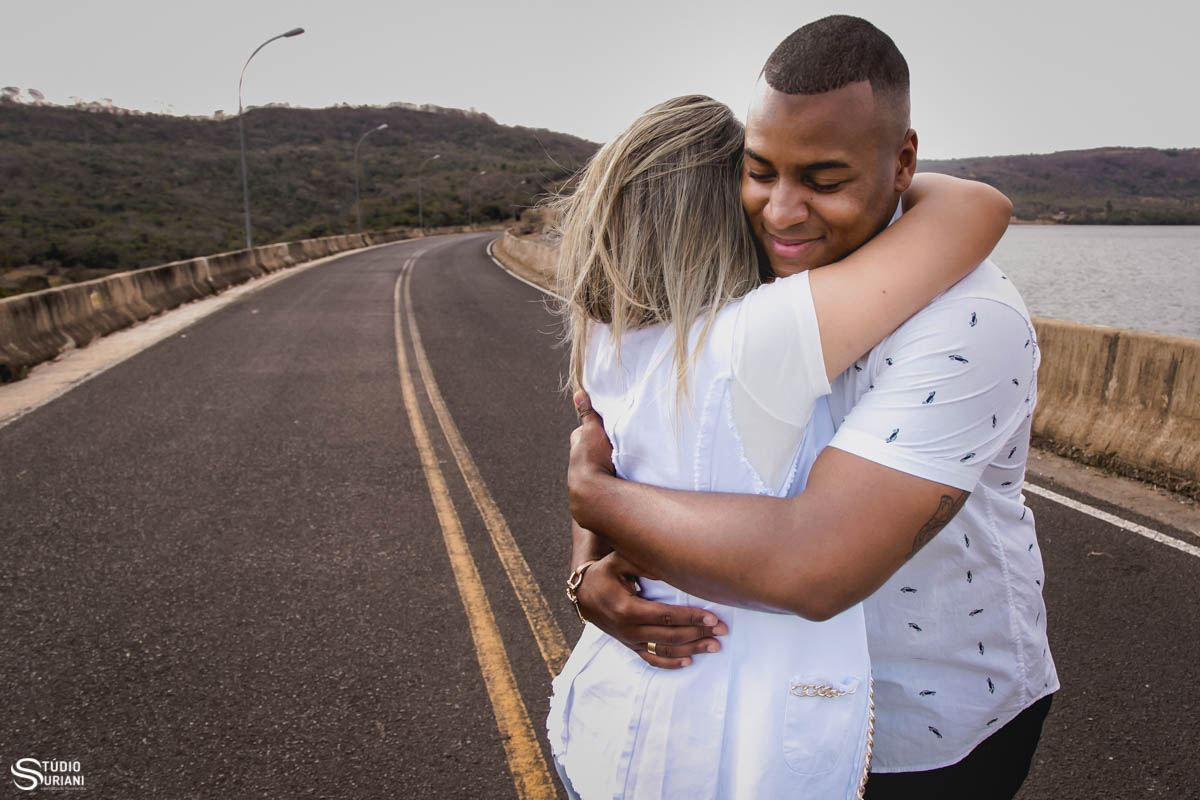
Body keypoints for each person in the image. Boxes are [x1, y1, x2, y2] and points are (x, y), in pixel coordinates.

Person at [566, 16, 1057, 800]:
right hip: (765, 722)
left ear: (903, 164)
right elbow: (622, 433)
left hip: (926, 727)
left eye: (825, 181)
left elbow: (814, 565)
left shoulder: (971, 322)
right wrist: (587, 564)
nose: (783, 212)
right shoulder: (739, 273)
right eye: (760, 172)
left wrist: (598, 497)